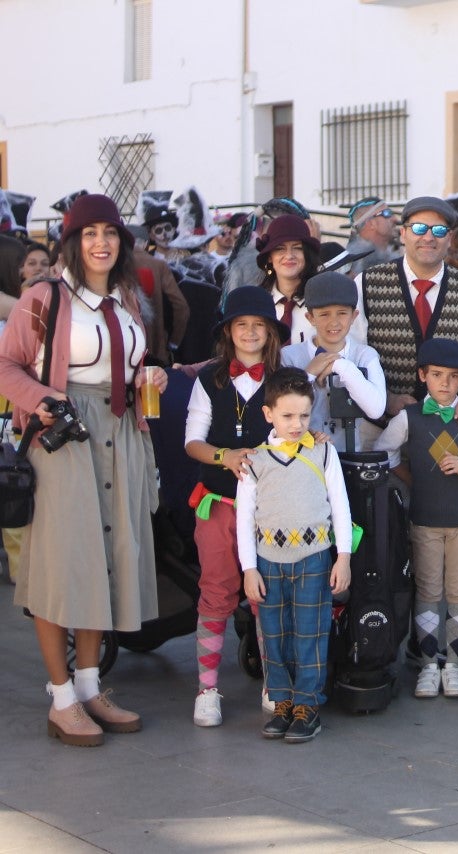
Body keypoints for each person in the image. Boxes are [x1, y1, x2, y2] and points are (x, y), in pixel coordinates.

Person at [0, 193, 164, 746]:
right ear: (72, 241)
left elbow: (132, 362)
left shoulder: (127, 298)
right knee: (61, 561)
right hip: (64, 433)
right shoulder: (44, 296)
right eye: (90, 233)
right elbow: (6, 363)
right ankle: (61, 697)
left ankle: (91, 686)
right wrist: (44, 400)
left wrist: (154, 378)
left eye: (110, 233)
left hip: (122, 431)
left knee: (105, 559)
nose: (101, 242)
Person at [185, 286, 288, 727]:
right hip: (219, 504)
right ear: (229, 331)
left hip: (272, 509)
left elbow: (300, 430)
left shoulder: (285, 379)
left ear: (270, 333)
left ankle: (273, 684)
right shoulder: (209, 379)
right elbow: (192, 441)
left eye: (259, 325)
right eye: (241, 324)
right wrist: (222, 456)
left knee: (268, 595)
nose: (250, 332)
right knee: (217, 590)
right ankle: (207, 689)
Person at [376, 339, 458, 698]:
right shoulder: (409, 418)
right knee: (429, 591)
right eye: (436, 375)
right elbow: (383, 451)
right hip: (425, 520)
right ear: (422, 376)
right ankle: (429, 665)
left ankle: (454, 664)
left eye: (452, 376)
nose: (444, 383)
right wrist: (409, 477)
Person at [238, 368, 352, 742]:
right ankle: (283, 702)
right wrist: (249, 568)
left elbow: (340, 506)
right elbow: (244, 518)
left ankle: (307, 705)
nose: (297, 424)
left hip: (314, 557)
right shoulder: (254, 460)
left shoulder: (323, 452)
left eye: (304, 415)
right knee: (274, 636)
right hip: (268, 561)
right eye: (287, 416)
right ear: (268, 414)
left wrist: (344, 556)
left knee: (311, 633)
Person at [352, 196, 458, 428]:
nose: (428, 237)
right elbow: (353, 352)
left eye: (439, 230)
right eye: (419, 228)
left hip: (452, 428)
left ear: (450, 238)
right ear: (403, 234)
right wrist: (386, 398)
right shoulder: (366, 284)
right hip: (379, 427)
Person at [281, 272, 386, 451]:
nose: (334, 322)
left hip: (350, 456)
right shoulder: (289, 356)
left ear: (354, 316)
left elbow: (375, 409)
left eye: (342, 313)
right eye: (324, 314)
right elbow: (283, 407)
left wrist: (341, 365)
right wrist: (308, 374)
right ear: (310, 318)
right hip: (303, 457)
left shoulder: (365, 355)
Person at [256, 213, 322, 347]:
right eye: (280, 249)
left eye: (297, 248)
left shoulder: (323, 301)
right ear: (270, 257)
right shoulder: (256, 303)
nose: (289, 255)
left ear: (307, 254)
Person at [345, 197, 400, 278]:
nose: (395, 219)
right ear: (371, 223)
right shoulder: (352, 263)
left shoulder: (394, 257)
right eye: (387, 213)